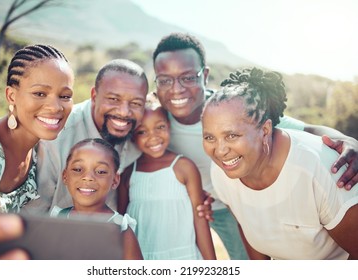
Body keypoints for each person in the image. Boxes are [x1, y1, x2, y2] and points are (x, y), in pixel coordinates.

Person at [152, 32, 358, 259]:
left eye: (188, 77)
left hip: (245, 200)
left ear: (205, 75)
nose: (176, 88)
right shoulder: (155, 124)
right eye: (165, 80)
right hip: (216, 199)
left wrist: (347, 141)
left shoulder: (230, 109)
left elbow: (306, 130)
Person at [201, 67, 358, 259]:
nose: (220, 150)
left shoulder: (319, 169)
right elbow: (247, 229)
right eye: (209, 137)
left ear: (265, 130)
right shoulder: (221, 172)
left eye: (232, 135)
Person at [23, 59, 148, 214]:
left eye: (136, 103)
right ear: (94, 96)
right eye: (114, 99)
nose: (123, 112)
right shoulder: (57, 135)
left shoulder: (145, 135)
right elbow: (35, 211)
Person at [0, 44, 74, 213]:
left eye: (65, 96)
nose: (55, 107)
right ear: (11, 95)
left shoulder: (37, 148)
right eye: (40, 93)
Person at [117, 98, 216, 260]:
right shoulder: (128, 174)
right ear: (133, 137)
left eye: (160, 127)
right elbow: (121, 225)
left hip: (184, 257)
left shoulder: (184, 167)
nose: (153, 137)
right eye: (142, 131)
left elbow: (200, 221)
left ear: (169, 127)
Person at [50, 138, 143, 260]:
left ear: (115, 180)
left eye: (101, 171)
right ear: (65, 176)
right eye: (78, 169)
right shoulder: (56, 219)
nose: (87, 177)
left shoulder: (120, 229)